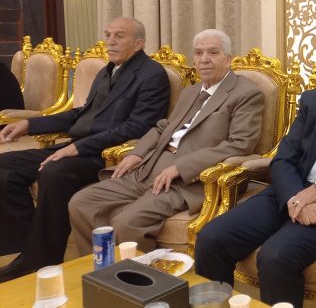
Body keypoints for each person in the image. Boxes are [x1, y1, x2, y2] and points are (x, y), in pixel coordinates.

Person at [195, 27, 316, 308]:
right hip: (290, 190)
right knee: (211, 239)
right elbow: (284, 158)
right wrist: (296, 198)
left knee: (276, 257)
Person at [0, 17, 170, 281]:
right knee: (5, 166)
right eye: (108, 34)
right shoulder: (107, 71)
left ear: (139, 43)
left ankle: (42, 257)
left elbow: (138, 127)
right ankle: (28, 247)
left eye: (119, 36)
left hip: (105, 154)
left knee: (54, 173)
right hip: (77, 146)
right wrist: (30, 124)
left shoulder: (152, 75)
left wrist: (79, 147)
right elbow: (81, 114)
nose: (110, 41)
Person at [68, 29, 264, 254]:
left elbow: (240, 144)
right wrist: (136, 153)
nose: (204, 59)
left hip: (188, 179)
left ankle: (134, 275)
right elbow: (164, 127)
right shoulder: (191, 92)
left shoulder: (246, 93)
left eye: (213, 52)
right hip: (149, 166)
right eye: (198, 53)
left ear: (228, 59)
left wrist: (180, 167)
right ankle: (101, 266)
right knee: (81, 202)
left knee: (126, 223)